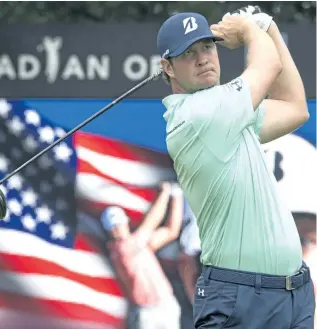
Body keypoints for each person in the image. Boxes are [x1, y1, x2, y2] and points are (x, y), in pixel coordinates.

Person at [157, 5, 314, 329]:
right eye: (188, 53)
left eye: (207, 46)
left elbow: (294, 107)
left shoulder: (228, 112)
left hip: (293, 293)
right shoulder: (197, 115)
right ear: (167, 68)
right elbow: (267, 64)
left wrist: (266, 26)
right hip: (238, 298)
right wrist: (247, 29)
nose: (202, 58)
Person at [100, 182, 183, 329]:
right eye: (113, 227)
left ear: (126, 222)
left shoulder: (140, 246)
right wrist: (165, 193)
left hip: (167, 305)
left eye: (118, 224)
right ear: (108, 231)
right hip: (147, 313)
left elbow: (172, 230)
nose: (117, 230)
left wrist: (177, 196)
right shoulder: (120, 249)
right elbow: (152, 221)